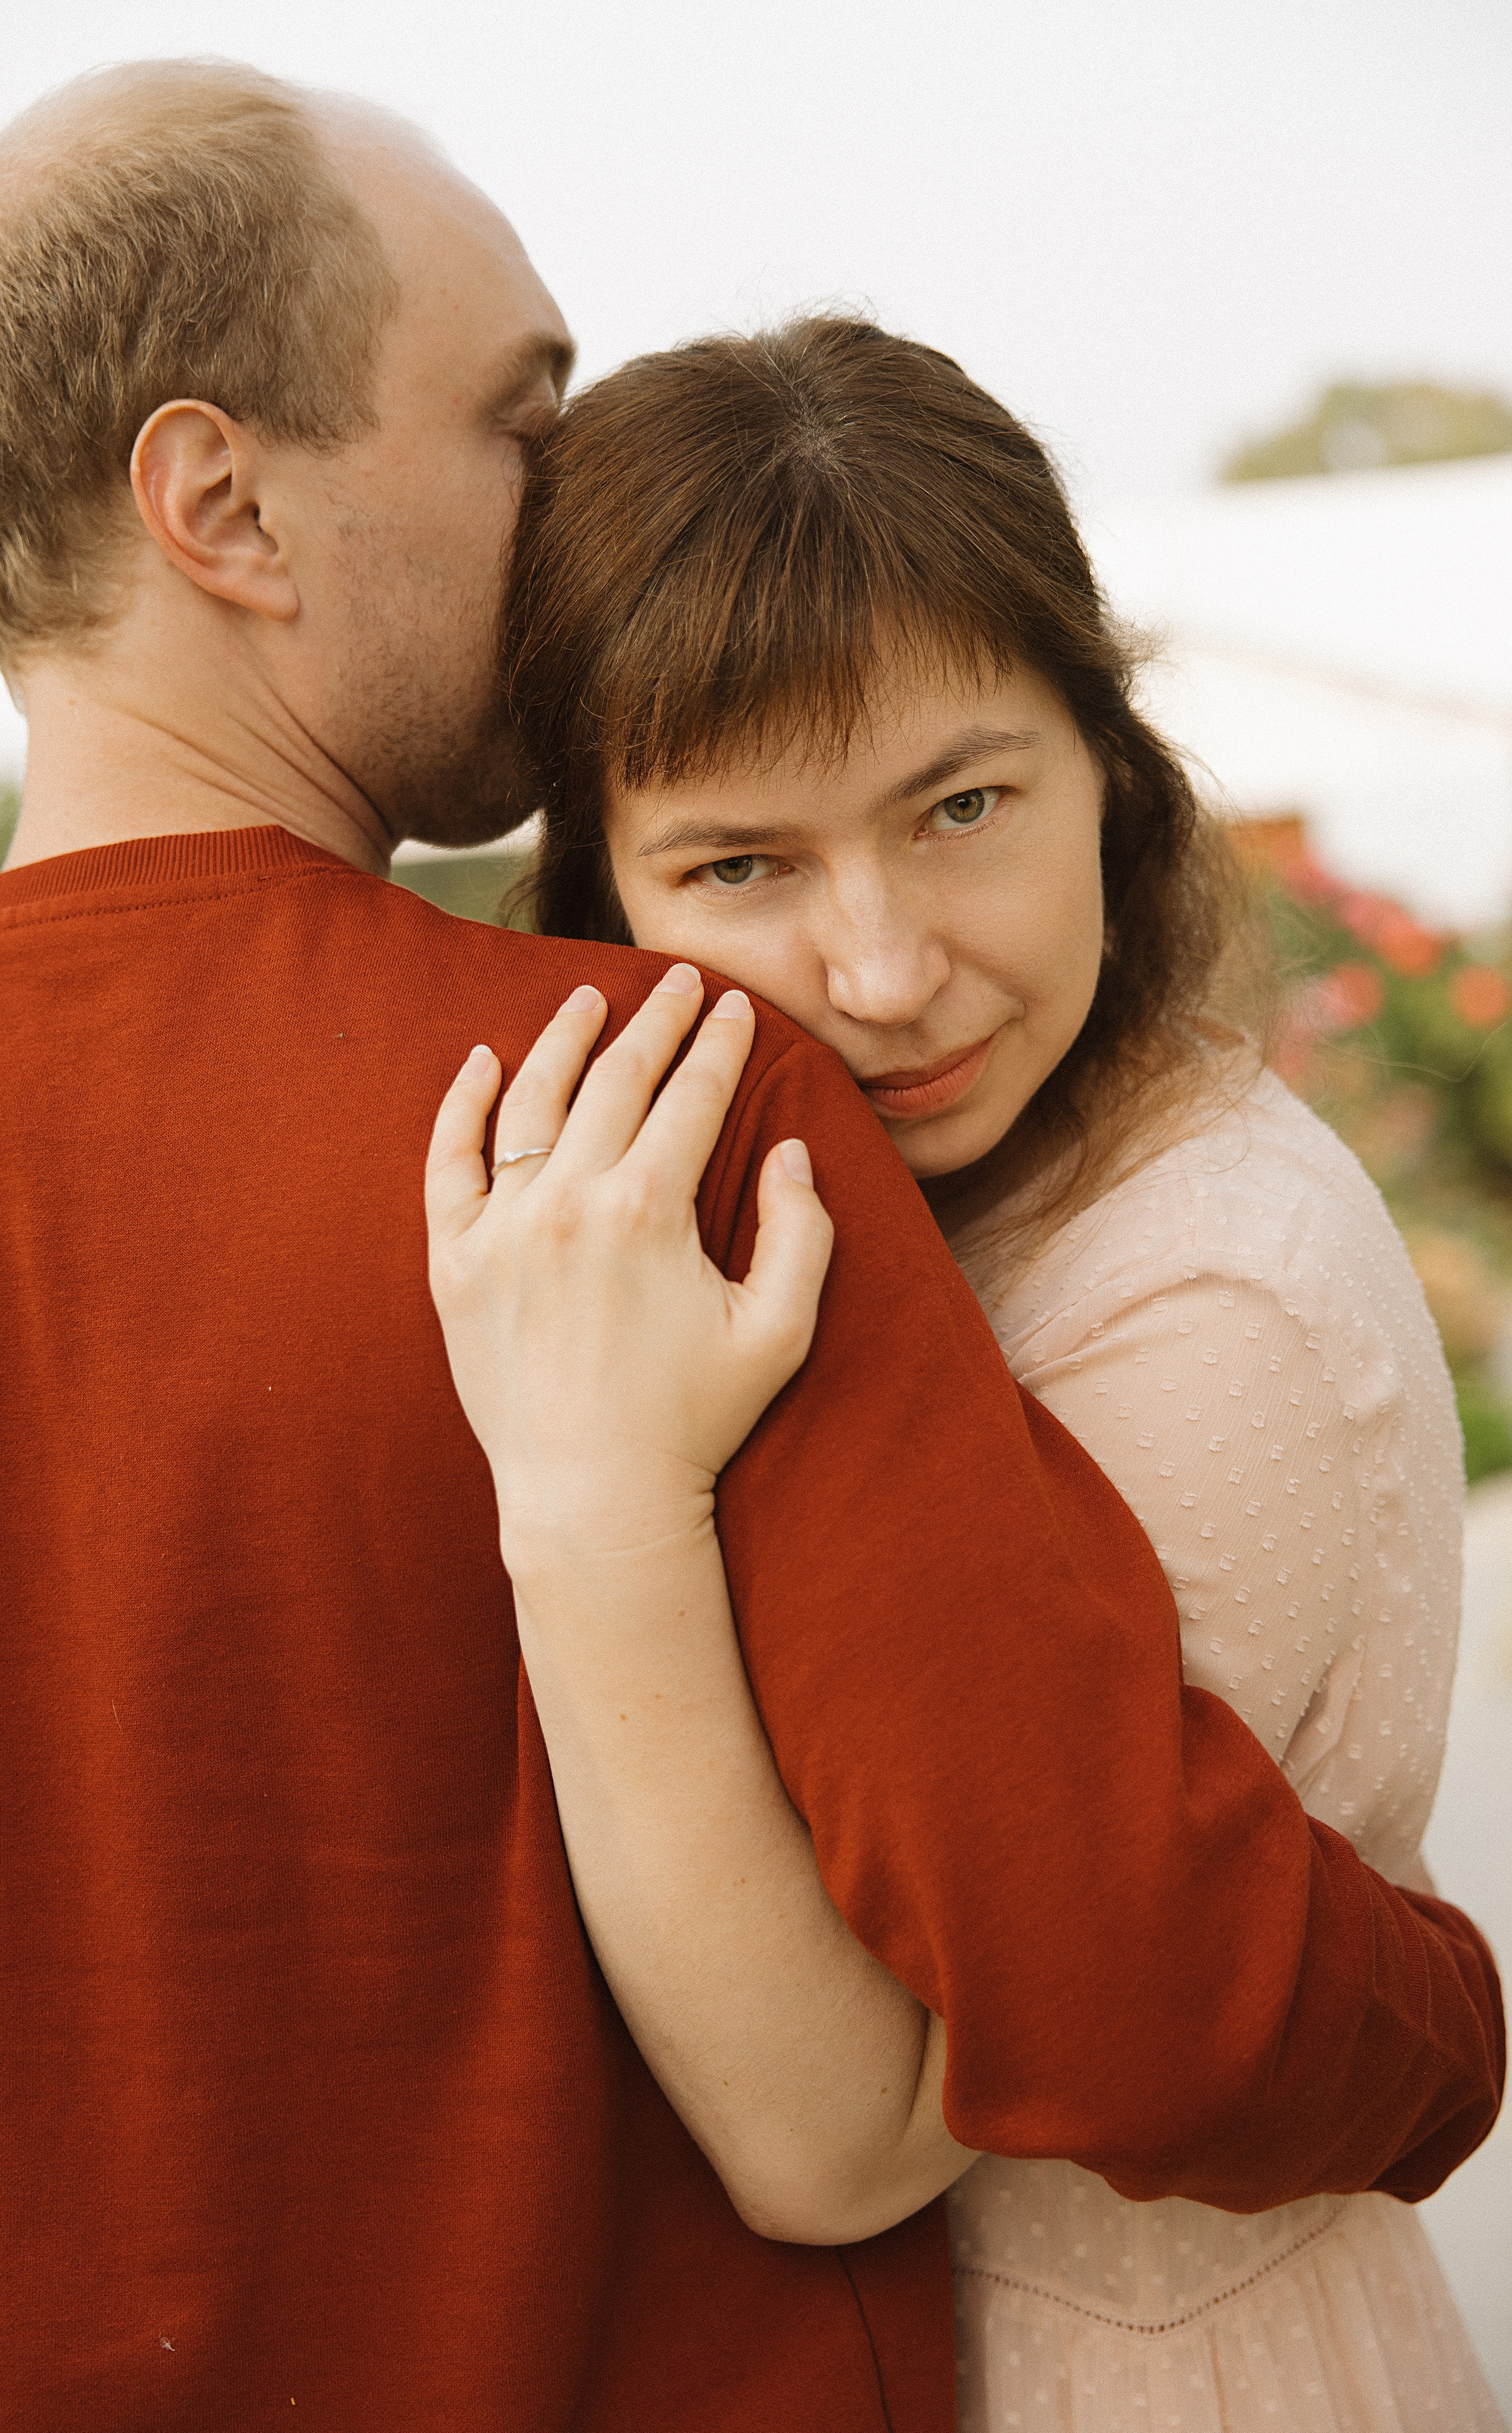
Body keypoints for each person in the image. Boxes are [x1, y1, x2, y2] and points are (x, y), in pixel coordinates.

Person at [0, 61, 1497, 2433]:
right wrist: (1444, 2025)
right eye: (521, 419)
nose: (577, 501)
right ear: (223, 503)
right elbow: (1129, 1974)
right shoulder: (641, 1114)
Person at [422, 317, 1509, 2429]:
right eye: (743, 867)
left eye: (964, 807)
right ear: (603, 894)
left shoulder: (1209, 1302)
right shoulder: (818, 1214)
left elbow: (845, 2136)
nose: (888, 969)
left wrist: (591, 1499)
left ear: (1112, 767)